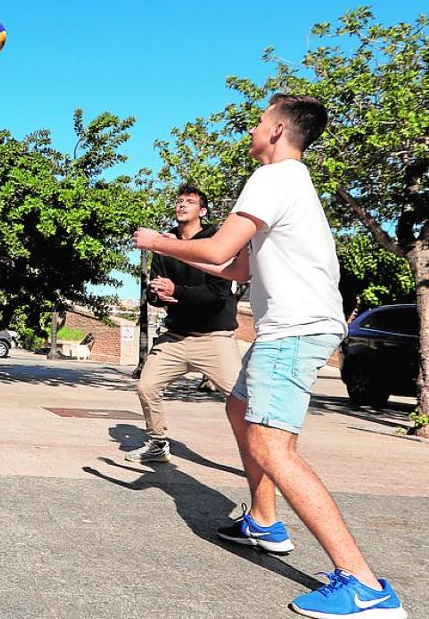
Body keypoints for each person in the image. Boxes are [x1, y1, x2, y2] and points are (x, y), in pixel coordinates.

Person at [134, 93, 405, 618]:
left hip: (294, 330)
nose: (254, 130)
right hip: (288, 327)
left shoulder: (273, 179)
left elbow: (214, 250)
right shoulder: (293, 186)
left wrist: (162, 243)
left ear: (278, 130)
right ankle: (263, 521)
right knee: (239, 410)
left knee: (273, 446)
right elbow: (238, 269)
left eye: (260, 121)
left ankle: (364, 585)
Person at [125, 184, 241, 464]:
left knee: (242, 400)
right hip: (176, 336)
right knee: (147, 386)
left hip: (215, 338)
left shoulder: (215, 242)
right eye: (179, 200)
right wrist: (158, 294)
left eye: (190, 201)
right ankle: (157, 443)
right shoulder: (164, 244)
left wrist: (176, 290)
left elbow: (217, 295)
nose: (182, 204)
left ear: (202, 211)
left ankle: (261, 455)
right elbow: (155, 294)